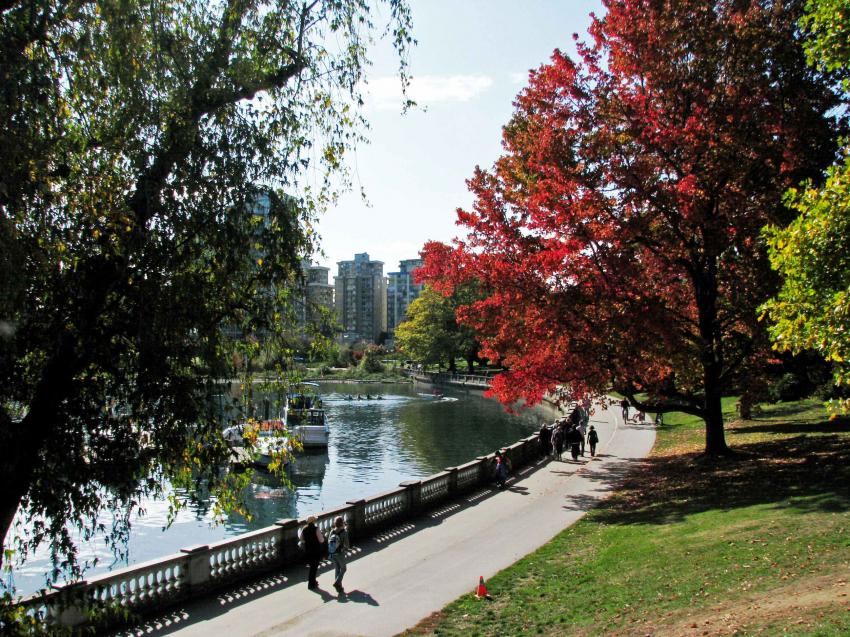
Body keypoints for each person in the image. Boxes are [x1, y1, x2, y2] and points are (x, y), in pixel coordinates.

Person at [300, 515, 325, 589]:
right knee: (314, 567)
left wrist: (307, 541)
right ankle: (311, 583)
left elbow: (301, 539)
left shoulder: (304, 529)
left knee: (312, 566)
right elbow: (321, 540)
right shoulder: (316, 529)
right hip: (316, 550)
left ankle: (313, 581)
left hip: (308, 550)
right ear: (313, 521)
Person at [327, 516, 350, 593]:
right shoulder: (344, 532)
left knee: (337, 568)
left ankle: (339, 586)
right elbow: (347, 545)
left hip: (332, 553)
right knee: (343, 569)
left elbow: (329, 542)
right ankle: (337, 582)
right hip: (340, 553)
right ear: (342, 523)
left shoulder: (332, 531)